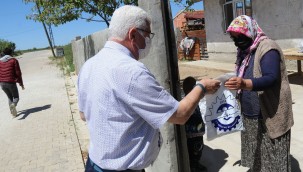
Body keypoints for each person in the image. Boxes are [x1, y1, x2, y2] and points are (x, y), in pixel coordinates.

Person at [77, 5, 221, 172]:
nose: (148, 40)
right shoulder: (132, 72)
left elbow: (82, 114)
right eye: (147, 35)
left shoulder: (89, 65)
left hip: (94, 165)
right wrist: (201, 87)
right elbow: (180, 115)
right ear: (132, 34)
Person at [224, 15, 294, 172]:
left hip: (270, 114)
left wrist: (245, 84)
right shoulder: (245, 52)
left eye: (240, 37)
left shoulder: (268, 48)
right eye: (234, 38)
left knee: (274, 161)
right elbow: (244, 72)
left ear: (250, 31)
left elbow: (271, 78)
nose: (237, 42)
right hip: (251, 115)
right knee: (258, 159)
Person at [182, 76, 207, 172]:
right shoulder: (189, 102)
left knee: (196, 151)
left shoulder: (189, 101)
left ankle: (195, 164)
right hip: (193, 134)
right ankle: (194, 167)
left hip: (195, 133)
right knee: (196, 150)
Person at [0, 47, 25, 117]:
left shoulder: (0, 61)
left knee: (9, 97)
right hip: (11, 82)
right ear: (11, 53)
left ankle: (13, 114)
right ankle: (13, 105)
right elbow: (18, 73)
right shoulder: (14, 60)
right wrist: (21, 84)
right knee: (16, 97)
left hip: (2, 83)